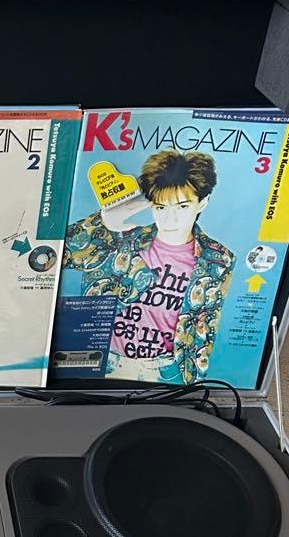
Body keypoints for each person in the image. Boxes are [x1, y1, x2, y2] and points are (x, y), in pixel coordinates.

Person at [62, 148, 234, 383]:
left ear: (202, 203)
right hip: (102, 364)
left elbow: (205, 327)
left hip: (166, 374)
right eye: (161, 207)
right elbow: (56, 255)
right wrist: (105, 220)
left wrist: (192, 382)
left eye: (182, 206)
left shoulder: (218, 260)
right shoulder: (122, 240)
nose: (170, 218)